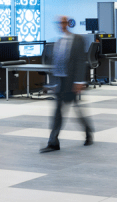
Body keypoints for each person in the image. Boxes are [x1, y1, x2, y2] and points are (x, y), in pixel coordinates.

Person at [40, 16, 94, 153]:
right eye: (60, 23)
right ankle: (53, 142)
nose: (62, 25)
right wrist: (51, 83)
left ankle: (88, 131)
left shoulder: (78, 40)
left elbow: (81, 61)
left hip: (71, 82)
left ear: (68, 24)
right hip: (60, 81)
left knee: (77, 110)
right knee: (58, 112)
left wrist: (79, 81)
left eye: (64, 22)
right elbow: (56, 64)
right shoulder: (58, 41)